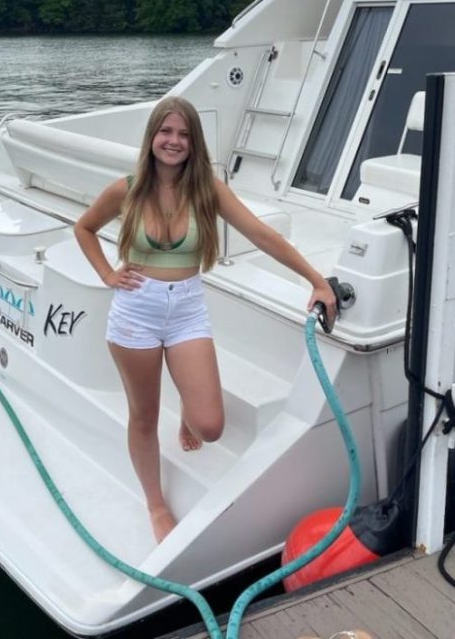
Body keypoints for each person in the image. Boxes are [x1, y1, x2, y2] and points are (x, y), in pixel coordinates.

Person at [74, 96, 336, 543]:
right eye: (166, 132)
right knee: (143, 414)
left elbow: (261, 234)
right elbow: (84, 228)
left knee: (209, 426)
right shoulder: (127, 188)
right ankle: (156, 505)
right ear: (152, 137)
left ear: (194, 143)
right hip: (137, 309)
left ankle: (187, 412)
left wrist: (316, 279)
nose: (173, 141)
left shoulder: (207, 189)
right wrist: (106, 273)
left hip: (187, 308)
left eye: (183, 134)